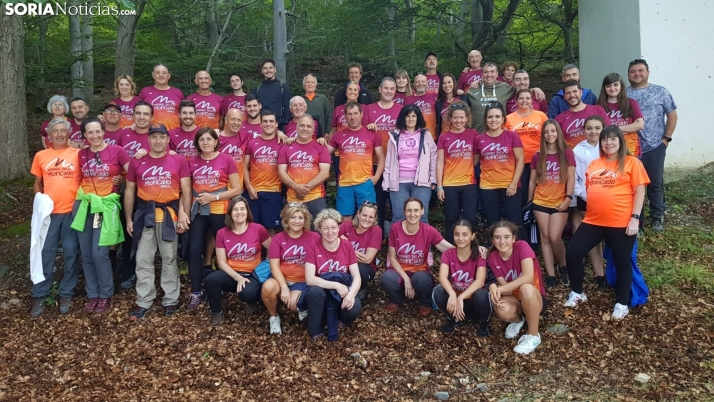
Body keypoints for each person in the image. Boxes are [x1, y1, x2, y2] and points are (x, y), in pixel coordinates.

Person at [564, 125, 649, 320]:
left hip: (621, 222)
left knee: (622, 261)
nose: (608, 143)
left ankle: (621, 303)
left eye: (612, 139)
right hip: (594, 220)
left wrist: (635, 218)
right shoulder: (595, 164)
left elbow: (640, 191)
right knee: (574, 252)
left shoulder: (631, 162)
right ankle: (578, 292)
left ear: (620, 141)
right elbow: (591, 191)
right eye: (605, 139)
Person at [124, 122, 191, 320]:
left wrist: (184, 215)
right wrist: (129, 218)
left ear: (168, 139)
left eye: (162, 136)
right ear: (149, 139)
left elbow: (186, 190)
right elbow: (129, 190)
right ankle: (144, 299)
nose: (158, 140)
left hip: (169, 215)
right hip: (146, 215)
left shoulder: (178, 160)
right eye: (154, 137)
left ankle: (170, 299)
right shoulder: (138, 161)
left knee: (169, 258)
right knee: (143, 258)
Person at [72, 118, 130, 313]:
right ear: (84, 136)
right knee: (87, 254)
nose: (95, 136)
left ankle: (105, 294)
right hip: (84, 205)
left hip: (106, 205)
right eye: (90, 133)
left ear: (103, 131)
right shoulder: (81, 154)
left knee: (100, 253)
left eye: (98, 131)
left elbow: (133, 174)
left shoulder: (117, 151)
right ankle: (92, 294)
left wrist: (121, 179)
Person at [185, 127, 242, 310]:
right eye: (202, 140)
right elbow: (185, 190)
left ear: (216, 141)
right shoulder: (191, 162)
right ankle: (196, 291)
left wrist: (215, 197)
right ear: (197, 143)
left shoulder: (226, 159)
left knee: (223, 249)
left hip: (220, 209)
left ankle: (221, 285)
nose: (206, 143)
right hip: (199, 211)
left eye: (209, 139)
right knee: (194, 250)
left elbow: (236, 189)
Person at [30, 119, 82, 317]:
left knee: (71, 252)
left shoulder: (77, 154)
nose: (59, 134)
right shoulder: (41, 156)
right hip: (49, 215)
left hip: (72, 212)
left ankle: (66, 292)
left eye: (63, 131)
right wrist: (39, 200)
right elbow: (37, 182)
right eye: (55, 131)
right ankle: (40, 293)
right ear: (49, 135)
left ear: (69, 133)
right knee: (46, 253)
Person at [480, 220, 547, 355]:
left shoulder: (522, 246)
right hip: (515, 298)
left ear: (513, 238)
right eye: (497, 238)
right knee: (501, 307)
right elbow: (507, 289)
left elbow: (528, 277)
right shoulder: (492, 257)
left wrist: (497, 288)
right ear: (492, 240)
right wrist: (495, 287)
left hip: (534, 297)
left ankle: (534, 335)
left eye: (506, 237)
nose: (502, 241)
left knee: (525, 288)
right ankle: (518, 320)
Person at [627, 58, 678, 233]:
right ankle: (637, 220)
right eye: (633, 71)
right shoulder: (624, 95)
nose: (637, 74)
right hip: (631, 149)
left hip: (655, 145)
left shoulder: (660, 92)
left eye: (640, 70)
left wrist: (666, 140)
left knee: (655, 183)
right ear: (628, 75)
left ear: (647, 72)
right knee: (634, 185)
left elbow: (672, 115)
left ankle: (657, 217)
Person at [205, 196, 272, 326]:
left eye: (242, 208)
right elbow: (221, 262)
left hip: (253, 274)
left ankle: (253, 300)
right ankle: (216, 312)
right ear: (230, 213)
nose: (239, 212)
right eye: (235, 209)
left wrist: (267, 263)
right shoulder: (222, 233)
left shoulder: (258, 229)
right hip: (232, 273)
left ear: (247, 211)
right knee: (211, 280)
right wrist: (237, 277)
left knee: (246, 294)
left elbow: (274, 249)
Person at [381, 197, 454, 315]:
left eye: (416, 210)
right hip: (399, 270)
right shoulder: (395, 228)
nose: (412, 214)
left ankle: (425, 302)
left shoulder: (428, 230)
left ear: (422, 211)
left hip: (420, 271)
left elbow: (448, 248)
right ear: (404, 212)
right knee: (387, 279)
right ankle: (396, 299)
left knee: (422, 280)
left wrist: (474, 249)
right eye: (409, 210)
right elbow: (392, 257)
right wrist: (406, 279)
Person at [527, 120, 575, 288]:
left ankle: (563, 265)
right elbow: (532, 181)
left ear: (558, 133)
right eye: (546, 132)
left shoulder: (567, 154)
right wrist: (529, 201)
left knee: (555, 237)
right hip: (540, 200)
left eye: (553, 131)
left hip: (560, 201)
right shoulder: (537, 156)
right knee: (545, 238)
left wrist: (568, 198)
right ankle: (550, 274)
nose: (549, 134)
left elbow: (571, 178)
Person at [304, 208, 362, 341]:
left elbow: (357, 276)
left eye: (333, 227)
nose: (330, 232)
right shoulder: (313, 246)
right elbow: (309, 279)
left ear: (339, 227)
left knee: (355, 307)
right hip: (323, 289)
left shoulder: (346, 245)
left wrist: (351, 294)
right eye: (325, 228)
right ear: (319, 228)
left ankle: (340, 320)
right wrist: (336, 285)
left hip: (342, 291)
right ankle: (316, 329)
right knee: (314, 292)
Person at [262, 203, 319, 334]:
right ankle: (274, 317)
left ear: (305, 220)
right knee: (268, 287)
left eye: (300, 218)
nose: (297, 221)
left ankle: (302, 306)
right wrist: (284, 287)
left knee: (293, 303)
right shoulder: (278, 238)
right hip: (283, 278)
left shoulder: (314, 237)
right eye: (293, 217)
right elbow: (274, 265)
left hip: (303, 280)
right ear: (286, 219)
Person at [432, 219, 492, 335]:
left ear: (472, 236)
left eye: (465, 235)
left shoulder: (479, 254)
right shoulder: (448, 253)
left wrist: (461, 297)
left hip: (473, 301)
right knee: (438, 291)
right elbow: (443, 276)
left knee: (482, 293)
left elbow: (480, 281)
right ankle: (454, 319)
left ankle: (484, 323)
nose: (460, 238)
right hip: (455, 300)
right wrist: (453, 294)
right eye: (457, 234)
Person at [328, 102, 384, 221]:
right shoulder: (338, 135)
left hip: (365, 183)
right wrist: (320, 141)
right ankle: (346, 240)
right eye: (349, 114)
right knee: (345, 219)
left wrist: (376, 177)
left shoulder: (372, 134)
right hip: (345, 184)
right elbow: (324, 153)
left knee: (367, 218)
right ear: (345, 116)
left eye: (355, 113)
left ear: (361, 114)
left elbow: (381, 157)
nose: (353, 117)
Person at [476, 102, 525, 237]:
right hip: (487, 187)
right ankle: (495, 255)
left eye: (497, 117)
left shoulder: (512, 136)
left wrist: (514, 183)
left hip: (510, 185)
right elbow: (474, 161)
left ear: (503, 119)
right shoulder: (479, 139)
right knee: (493, 224)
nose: (494, 120)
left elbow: (520, 160)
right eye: (490, 117)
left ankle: (523, 254)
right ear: (486, 119)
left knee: (515, 223)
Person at [382, 104, 437, 223]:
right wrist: (386, 181)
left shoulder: (426, 135)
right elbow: (389, 161)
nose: (411, 119)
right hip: (399, 182)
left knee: (421, 218)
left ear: (418, 118)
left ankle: (423, 242)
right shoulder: (395, 136)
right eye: (408, 116)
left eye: (414, 116)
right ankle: (397, 242)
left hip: (421, 182)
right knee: (398, 217)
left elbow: (433, 158)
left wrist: (433, 179)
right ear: (403, 118)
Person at [436, 102, 479, 245]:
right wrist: (440, 186)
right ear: (450, 118)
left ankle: (470, 248)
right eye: (455, 118)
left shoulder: (473, 134)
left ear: (467, 118)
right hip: (449, 184)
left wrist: (466, 166)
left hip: (469, 183)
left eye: (462, 117)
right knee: (451, 219)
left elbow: (477, 156)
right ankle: (450, 250)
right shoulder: (443, 137)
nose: (458, 121)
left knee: (470, 218)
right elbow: (440, 162)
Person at [572, 116, 606, 289]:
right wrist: (583, 194)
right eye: (589, 128)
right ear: (584, 130)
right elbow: (575, 178)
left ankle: (614, 273)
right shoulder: (578, 150)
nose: (593, 132)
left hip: (610, 200)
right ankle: (599, 275)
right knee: (595, 238)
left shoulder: (609, 147)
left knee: (613, 238)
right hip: (587, 200)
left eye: (597, 128)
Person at [364, 77, 402, 229]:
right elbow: (360, 133)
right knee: (377, 201)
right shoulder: (369, 109)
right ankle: (377, 235)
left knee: (396, 201)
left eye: (392, 89)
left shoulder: (401, 109)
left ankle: (395, 234)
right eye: (386, 88)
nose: (389, 91)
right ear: (380, 89)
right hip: (374, 162)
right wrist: (368, 127)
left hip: (396, 163)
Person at [278, 115, 331, 219]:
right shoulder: (286, 147)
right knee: (293, 232)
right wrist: (296, 187)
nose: (305, 129)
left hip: (315, 197)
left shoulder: (321, 147)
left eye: (308, 126)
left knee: (317, 232)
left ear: (313, 129)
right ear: (297, 127)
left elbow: (325, 173)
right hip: (293, 198)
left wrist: (304, 189)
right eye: (302, 125)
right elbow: (281, 172)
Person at [506, 88, 549, 205]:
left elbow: (549, 136)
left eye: (527, 98)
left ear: (532, 100)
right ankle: (525, 218)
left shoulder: (541, 116)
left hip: (540, 160)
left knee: (541, 191)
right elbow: (504, 141)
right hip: (518, 163)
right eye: (521, 98)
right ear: (516, 100)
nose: (524, 101)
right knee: (523, 193)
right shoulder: (508, 119)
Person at [244, 110, 283, 236]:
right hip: (254, 192)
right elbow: (244, 166)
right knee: (253, 228)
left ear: (276, 124)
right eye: (265, 121)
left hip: (274, 191)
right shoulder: (252, 142)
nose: (268, 124)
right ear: (260, 124)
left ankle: (271, 256)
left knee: (271, 229)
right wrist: (249, 186)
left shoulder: (283, 142)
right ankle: (256, 256)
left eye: (271, 121)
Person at [339, 201, 382, 301]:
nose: (367, 219)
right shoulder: (346, 226)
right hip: (342, 265)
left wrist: (347, 249)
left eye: (371, 217)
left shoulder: (376, 230)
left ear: (375, 219)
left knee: (360, 269)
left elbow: (367, 259)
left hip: (365, 267)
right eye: (364, 215)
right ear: (358, 214)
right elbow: (331, 247)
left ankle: (360, 288)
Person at [597, 73, 645, 156]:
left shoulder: (631, 103)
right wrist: (627, 129)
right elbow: (599, 129)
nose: (612, 88)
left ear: (621, 86)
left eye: (616, 85)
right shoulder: (598, 106)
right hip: (608, 148)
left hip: (630, 148)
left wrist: (616, 129)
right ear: (604, 88)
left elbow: (640, 124)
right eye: (608, 86)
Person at [554, 80, 611, 149]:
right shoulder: (559, 119)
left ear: (581, 92)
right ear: (564, 97)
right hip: (573, 157)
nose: (572, 95)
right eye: (568, 93)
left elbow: (609, 132)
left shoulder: (597, 110)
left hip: (599, 155)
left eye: (575, 91)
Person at [464, 63, 515, 133]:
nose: (489, 75)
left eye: (492, 72)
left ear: (497, 74)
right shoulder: (472, 90)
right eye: (486, 72)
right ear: (481, 74)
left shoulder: (506, 88)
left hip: (500, 135)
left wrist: (533, 90)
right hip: (478, 135)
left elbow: (521, 91)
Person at [328, 81, 361, 185]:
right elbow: (333, 129)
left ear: (358, 93)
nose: (352, 91)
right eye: (350, 89)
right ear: (346, 92)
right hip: (339, 151)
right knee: (341, 180)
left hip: (357, 150)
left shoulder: (365, 108)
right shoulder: (338, 110)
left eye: (355, 89)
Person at [138, 63, 184, 130]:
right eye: (157, 73)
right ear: (153, 75)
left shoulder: (178, 92)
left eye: (164, 73)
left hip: (174, 133)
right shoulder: (145, 92)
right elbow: (138, 112)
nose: (161, 75)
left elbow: (183, 113)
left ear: (168, 76)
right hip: (151, 133)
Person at [253, 59, 292, 128]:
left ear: (275, 70)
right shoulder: (257, 89)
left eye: (270, 68)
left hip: (280, 126)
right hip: (262, 126)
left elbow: (288, 109)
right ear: (262, 71)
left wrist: (285, 126)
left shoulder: (283, 87)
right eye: (265, 68)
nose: (268, 70)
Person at [406, 74, 438, 138]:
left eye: (423, 81)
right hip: (414, 136)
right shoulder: (408, 99)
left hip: (432, 135)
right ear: (414, 84)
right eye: (417, 82)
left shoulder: (435, 96)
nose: (420, 83)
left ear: (427, 83)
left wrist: (458, 91)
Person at [302, 74, 331, 138]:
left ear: (316, 85)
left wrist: (327, 132)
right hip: (304, 135)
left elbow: (329, 116)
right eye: (307, 82)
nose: (310, 84)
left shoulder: (322, 98)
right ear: (304, 86)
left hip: (320, 136)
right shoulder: (300, 100)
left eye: (312, 82)